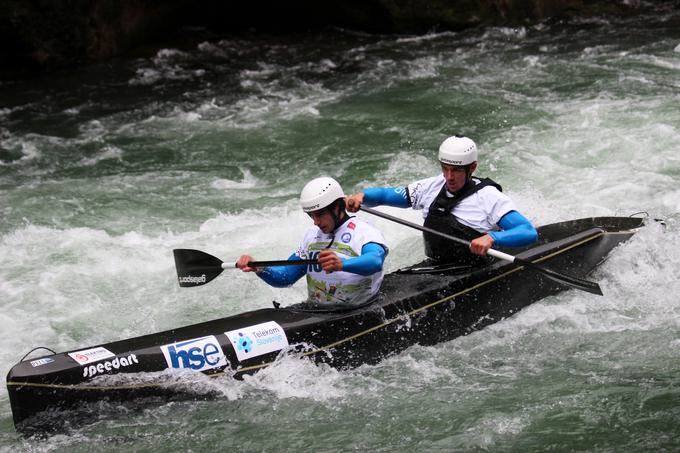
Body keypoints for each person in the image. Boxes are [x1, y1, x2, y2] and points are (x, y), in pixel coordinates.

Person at [346, 135, 538, 265]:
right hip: (437, 266)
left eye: (455, 170)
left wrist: (492, 237)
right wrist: (362, 197)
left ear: (472, 168)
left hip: (477, 269)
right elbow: (390, 196)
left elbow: (527, 232)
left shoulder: (488, 197)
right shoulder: (433, 186)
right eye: (444, 168)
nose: (449, 176)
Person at [237, 176, 388, 306]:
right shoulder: (311, 236)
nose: (315, 222)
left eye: (320, 214)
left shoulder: (364, 231)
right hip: (318, 311)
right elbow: (286, 277)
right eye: (311, 215)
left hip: (359, 309)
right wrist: (260, 268)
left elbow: (375, 261)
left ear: (337, 207)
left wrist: (342, 264)